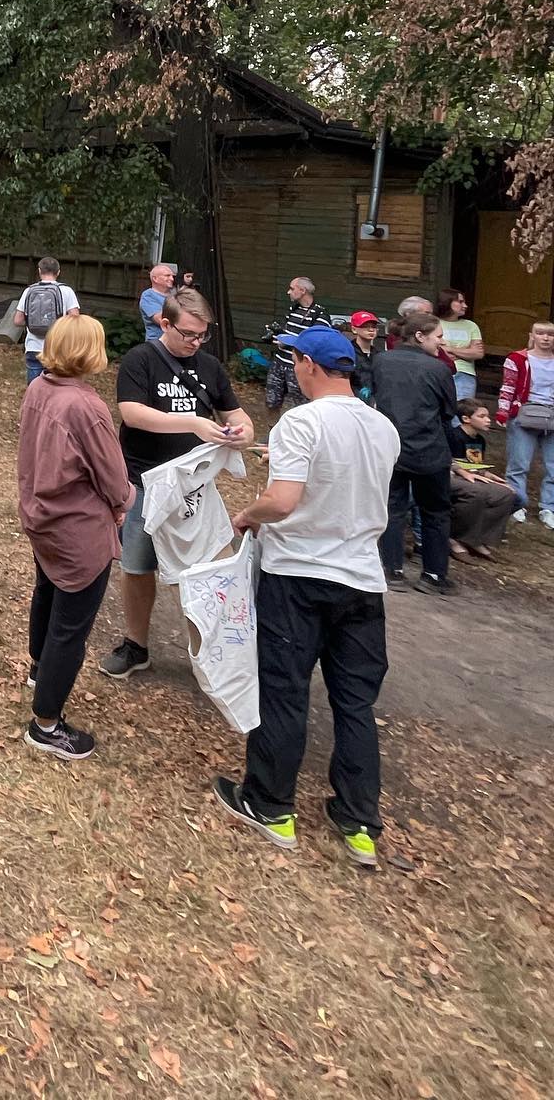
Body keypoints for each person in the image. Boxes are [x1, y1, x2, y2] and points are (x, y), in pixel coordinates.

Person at [212, 325, 401, 869]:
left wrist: (248, 515)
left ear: (308, 364)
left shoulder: (301, 422)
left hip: (298, 576)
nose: (294, 370)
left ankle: (270, 804)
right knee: (355, 702)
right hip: (361, 581)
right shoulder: (382, 426)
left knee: (284, 689)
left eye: (295, 361)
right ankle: (359, 820)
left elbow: (284, 501)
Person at [100, 286, 253, 679]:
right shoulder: (141, 360)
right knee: (137, 567)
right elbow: (132, 414)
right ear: (165, 324)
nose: (196, 342)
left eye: (203, 335)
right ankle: (136, 645)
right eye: (188, 334)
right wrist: (193, 423)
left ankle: (209, 655)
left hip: (194, 491)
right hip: (144, 484)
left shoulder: (210, 367)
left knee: (203, 572)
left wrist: (242, 432)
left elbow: (237, 415)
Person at [18, 314, 131, 761]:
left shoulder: (38, 387)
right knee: (70, 625)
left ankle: (39, 668)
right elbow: (114, 478)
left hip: (42, 517)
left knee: (47, 590)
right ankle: (46, 724)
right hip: (78, 530)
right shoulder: (87, 407)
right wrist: (123, 501)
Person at [371, 311, 458, 594]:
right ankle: (433, 575)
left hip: (391, 446)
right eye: (439, 337)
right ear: (420, 336)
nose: (441, 342)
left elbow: (374, 397)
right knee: (435, 512)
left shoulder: (381, 361)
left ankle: (391, 569)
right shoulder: (439, 369)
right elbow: (449, 410)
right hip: (428, 450)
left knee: (392, 508)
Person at [497, 320, 554, 527]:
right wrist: (503, 412)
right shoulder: (517, 359)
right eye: (540, 333)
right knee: (519, 463)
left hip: (552, 415)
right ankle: (517, 503)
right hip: (524, 413)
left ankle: (549, 507)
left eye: (550, 334)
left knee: (553, 465)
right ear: (532, 336)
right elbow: (508, 387)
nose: (546, 338)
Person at [449, 398, 518, 560]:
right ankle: (455, 538)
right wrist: (465, 472)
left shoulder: (479, 440)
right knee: (478, 493)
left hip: (471, 476)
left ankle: (477, 538)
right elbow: (449, 461)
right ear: (466, 419)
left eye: (487, 416)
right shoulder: (453, 436)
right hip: (452, 476)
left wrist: (488, 475)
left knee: (507, 494)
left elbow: (475, 466)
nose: (488, 420)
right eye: (482, 416)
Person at [264, 278, 332, 415]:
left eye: (292, 288)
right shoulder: (293, 309)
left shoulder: (320, 314)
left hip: (299, 366)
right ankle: (273, 428)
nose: (288, 292)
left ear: (302, 290)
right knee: (271, 402)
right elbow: (288, 332)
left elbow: (317, 343)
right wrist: (276, 334)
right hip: (279, 362)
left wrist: (290, 343)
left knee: (299, 407)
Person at [13, 258, 81, 385]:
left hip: (34, 347)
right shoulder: (66, 291)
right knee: (56, 389)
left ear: (39, 271)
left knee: (35, 389)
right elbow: (75, 319)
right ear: (58, 272)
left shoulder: (29, 291)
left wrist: (33, 323)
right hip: (58, 348)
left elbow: (17, 320)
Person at [435, 289, 484, 402]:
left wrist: (448, 349)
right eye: (460, 302)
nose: (465, 306)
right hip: (438, 372)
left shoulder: (471, 326)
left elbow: (478, 353)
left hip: (464, 374)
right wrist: (465, 351)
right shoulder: (434, 323)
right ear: (447, 302)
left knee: (462, 409)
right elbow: (429, 348)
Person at [348, 311, 383, 402]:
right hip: (352, 400)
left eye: (374, 326)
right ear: (354, 329)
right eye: (365, 326)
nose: (371, 330)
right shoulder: (347, 352)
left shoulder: (380, 355)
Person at [138, 264, 176, 343]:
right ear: (155, 279)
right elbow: (161, 320)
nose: (172, 279)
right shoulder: (148, 296)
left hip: (175, 344)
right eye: (167, 276)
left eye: (172, 276)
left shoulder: (175, 295)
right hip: (157, 344)